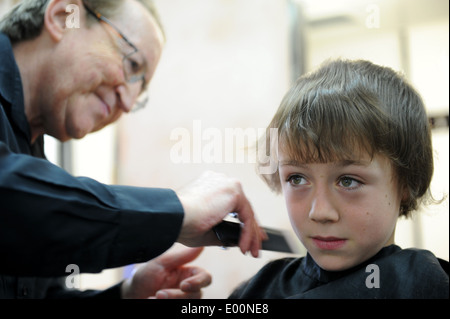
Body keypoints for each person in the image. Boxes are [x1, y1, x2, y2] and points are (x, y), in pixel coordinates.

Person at [0, 0, 264, 299]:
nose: (127, 103)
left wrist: (128, 295)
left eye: (140, 91)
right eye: (132, 64)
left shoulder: (35, 158)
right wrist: (178, 210)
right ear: (63, 17)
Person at [229, 59, 449, 299]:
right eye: (297, 179)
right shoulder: (258, 291)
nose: (320, 212)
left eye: (347, 181)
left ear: (406, 183)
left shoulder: (424, 285)